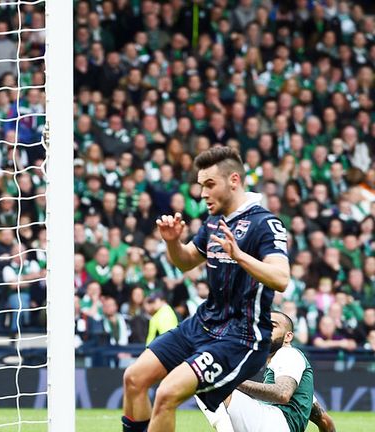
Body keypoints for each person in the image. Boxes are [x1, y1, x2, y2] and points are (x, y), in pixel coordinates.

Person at [122, 146, 291, 432]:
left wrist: (240, 255)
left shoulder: (266, 224)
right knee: (134, 378)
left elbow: (281, 277)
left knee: (166, 394)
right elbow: (186, 262)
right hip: (204, 323)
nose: (202, 193)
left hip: (241, 335)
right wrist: (173, 242)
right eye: (201, 185)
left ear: (234, 180)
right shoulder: (215, 222)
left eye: (209, 184)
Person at [197, 311, 336, 432]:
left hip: (276, 424)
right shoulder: (291, 373)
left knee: (204, 376)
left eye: (273, 326)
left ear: (288, 337)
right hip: (275, 424)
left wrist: (232, 380)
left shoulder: (288, 354)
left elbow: (282, 394)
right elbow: (325, 421)